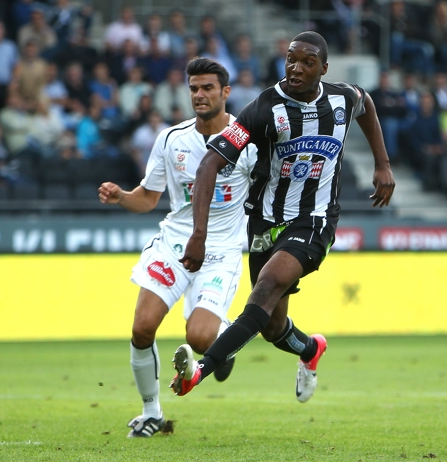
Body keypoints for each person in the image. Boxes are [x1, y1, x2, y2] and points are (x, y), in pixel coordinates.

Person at [170, 31, 395, 404]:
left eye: (308, 62)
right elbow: (211, 162)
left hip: (314, 220)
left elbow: (366, 103)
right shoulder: (262, 109)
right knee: (273, 326)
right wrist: (199, 233)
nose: (296, 67)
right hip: (264, 222)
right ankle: (310, 349)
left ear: (323, 68)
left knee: (268, 286)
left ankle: (201, 370)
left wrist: (382, 164)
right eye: (291, 59)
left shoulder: (341, 98)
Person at [98, 57, 257, 438]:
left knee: (198, 339)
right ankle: (151, 412)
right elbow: (148, 198)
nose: (199, 95)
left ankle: (224, 337)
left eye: (207, 88)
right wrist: (122, 196)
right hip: (175, 244)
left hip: (221, 251)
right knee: (142, 327)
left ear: (225, 92)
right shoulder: (172, 139)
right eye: (193, 89)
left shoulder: (248, 141)